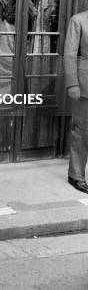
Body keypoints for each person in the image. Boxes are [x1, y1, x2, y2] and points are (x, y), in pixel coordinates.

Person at [64, 10, 88, 194]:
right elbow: (70, 54)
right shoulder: (78, 20)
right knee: (81, 130)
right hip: (84, 84)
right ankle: (76, 175)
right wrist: (72, 83)